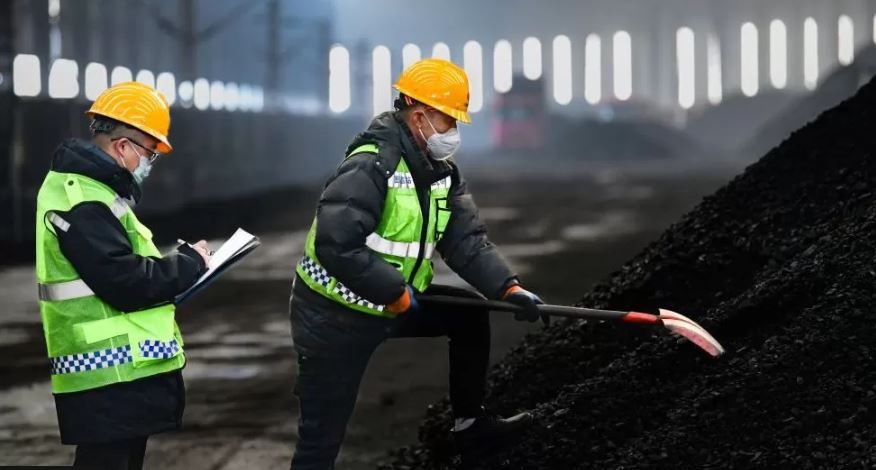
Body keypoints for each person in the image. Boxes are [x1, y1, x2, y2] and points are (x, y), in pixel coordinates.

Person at [289, 58, 546, 469]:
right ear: (420, 115)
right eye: (449, 121)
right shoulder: (371, 164)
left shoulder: (440, 172)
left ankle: (470, 428)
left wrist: (507, 288)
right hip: (334, 315)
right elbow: (335, 243)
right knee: (321, 439)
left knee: (470, 317)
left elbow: (466, 241)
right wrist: (391, 290)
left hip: (395, 300)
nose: (454, 134)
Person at [34, 81, 212, 469]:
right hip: (105, 375)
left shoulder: (94, 193)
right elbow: (128, 281)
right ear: (122, 146)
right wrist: (190, 262)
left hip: (116, 375)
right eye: (149, 153)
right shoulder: (83, 202)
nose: (148, 163)